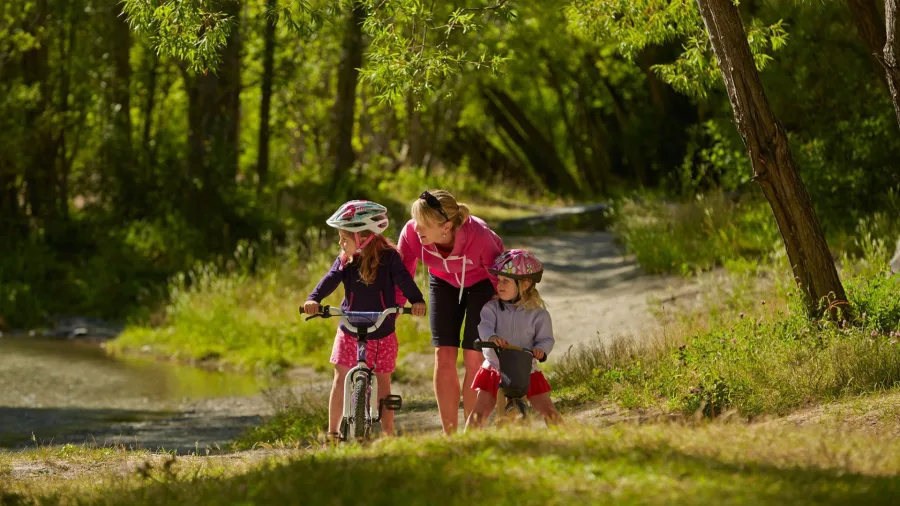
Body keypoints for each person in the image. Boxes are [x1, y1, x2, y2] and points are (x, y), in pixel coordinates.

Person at [304, 200, 427, 441]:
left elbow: (404, 280)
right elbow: (330, 279)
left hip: (382, 330)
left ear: (364, 237)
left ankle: (389, 435)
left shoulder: (390, 258)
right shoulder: (345, 259)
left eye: (344, 238)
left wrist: (417, 300)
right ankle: (332, 433)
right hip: (350, 328)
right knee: (340, 378)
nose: (341, 243)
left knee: (383, 382)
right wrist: (314, 298)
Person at [397, 190, 504, 433]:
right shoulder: (412, 234)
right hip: (442, 282)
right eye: (416, 221)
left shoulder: (480, 236)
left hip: (482, 284)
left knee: (473, 356)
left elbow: (499, 279)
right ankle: (450, 435)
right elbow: (403, 275)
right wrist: (393, 309)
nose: (417, 229)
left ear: (445, 226)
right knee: (443, 355)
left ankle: (472, 432)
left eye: (423, 224)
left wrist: (509, 310)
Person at [465, 249, 562, 430]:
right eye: (499, 281)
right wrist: (491, 337)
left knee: (547, 409)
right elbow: (484, 327)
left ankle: (568, 441)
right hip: (494, 368)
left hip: (526, 369)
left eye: (506, 281)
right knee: (480, 411)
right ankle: (463, 445)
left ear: (525, 284)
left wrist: (541, 349)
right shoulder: (491, 308)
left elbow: (546, 339)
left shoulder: (539, 315)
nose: (499, 285)